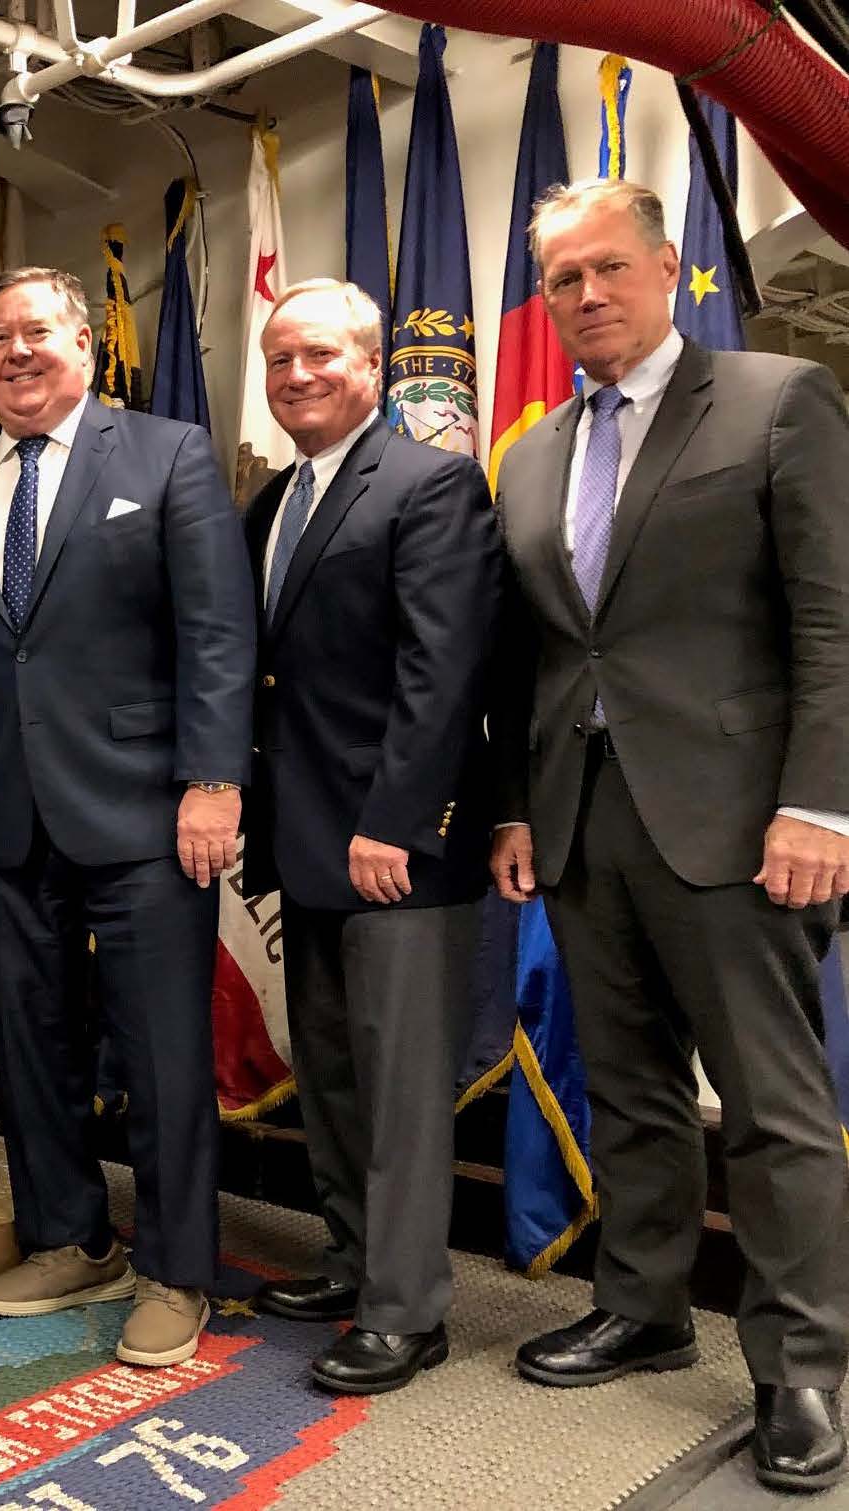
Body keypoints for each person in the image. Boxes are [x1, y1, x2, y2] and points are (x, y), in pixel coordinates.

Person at [492, 178, 849, 1493]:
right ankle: (641, 1305)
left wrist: (821, 802)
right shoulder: (531, 453)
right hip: (583, 822)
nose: (585, 294)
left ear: (661, 266)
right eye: (562, 278)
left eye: (606, 267)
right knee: (629, 1086)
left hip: (743, 824)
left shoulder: (776, 400)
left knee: (771, 1104)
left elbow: (832, 619)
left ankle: (801, 1365)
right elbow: (534, 652)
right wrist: (516, 804)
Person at [0, 267, 255, 1368]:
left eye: (38, 332)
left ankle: (176, 1269)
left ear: (86, 346)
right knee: (31, 1043)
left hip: (147, 810)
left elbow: (216, 630)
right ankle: (69, 1238)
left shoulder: (166, 455)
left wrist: (213, 780)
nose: (16, 352)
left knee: (160, 1053)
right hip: (6, 817)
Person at [241, 279, 502, 1394]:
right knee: (334, 1075)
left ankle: (405, 1311)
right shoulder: (271, 501)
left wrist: (393, 822)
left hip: (396, 846)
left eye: (320, 354)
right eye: (279, 358)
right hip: (303, 841)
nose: (297, 374)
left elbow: (444, 671)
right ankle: (351, 1260)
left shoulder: (431, 483)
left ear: (372, 364)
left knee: (399, 1090)